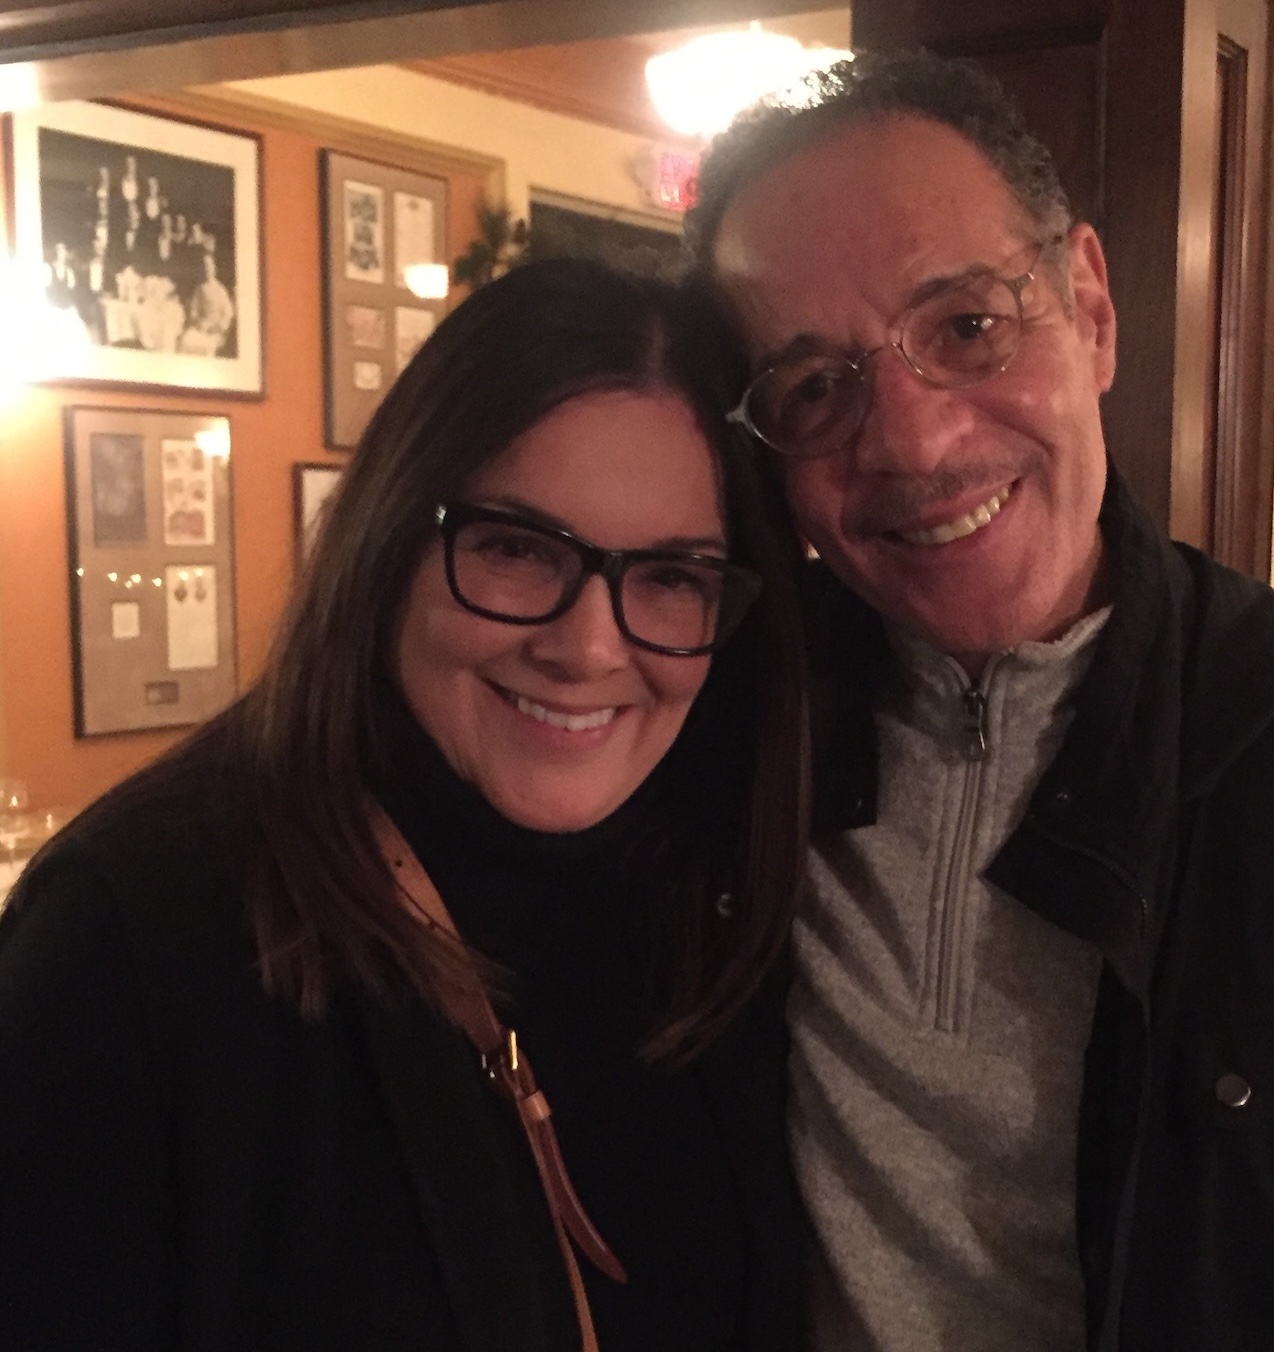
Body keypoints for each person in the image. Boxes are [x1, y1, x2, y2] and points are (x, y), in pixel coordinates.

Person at [685, 50, 1274, 1351]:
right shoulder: (723, 731)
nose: (912, 441)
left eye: (967, 325)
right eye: (815, 387)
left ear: (1093, 309)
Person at [0, 258, 808, 1351]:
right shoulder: (133, 941)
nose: (587, 647)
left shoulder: (719, 902)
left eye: (672, 576)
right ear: (388, 547)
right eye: (516, 549)